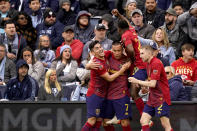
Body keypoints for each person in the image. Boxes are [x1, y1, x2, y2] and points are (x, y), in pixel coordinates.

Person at [81, 40, 130, 131]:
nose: (100, 49)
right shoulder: (97, 64)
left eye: (100, 47)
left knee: (99, 120)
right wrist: (122, 70)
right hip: (95, 94)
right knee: (92, 120)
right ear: (92, 52)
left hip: (103, 95)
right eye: (97, 48)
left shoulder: (105, 54)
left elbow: (115, 50)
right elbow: (109, 78)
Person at [128, 44, 173, 131]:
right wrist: (143, 85)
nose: (140, 56)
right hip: (152, 98)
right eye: (140, 54)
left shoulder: (156, 63)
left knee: (166, 125)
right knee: (143, 120)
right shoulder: (147, 63)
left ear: (149, 54)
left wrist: (137, 81)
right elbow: (152, 82)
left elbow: (153, 84)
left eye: (142, 53)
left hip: (161, 98)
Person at [102, 41, 132, 131]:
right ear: (112, 50)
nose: (117, 53)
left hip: (122, 95)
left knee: (124, 122)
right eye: (114, 50)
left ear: (122, 50)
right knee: (105, 122)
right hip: (109, 95)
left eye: (119, 50)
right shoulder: (108, 57)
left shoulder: (127, 60)